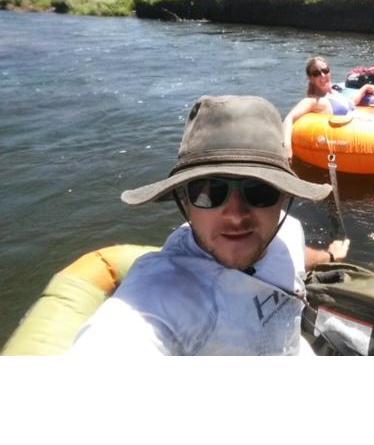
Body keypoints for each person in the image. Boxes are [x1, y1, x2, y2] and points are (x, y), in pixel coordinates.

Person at [70, 95, 349, 356]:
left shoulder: (288, 230)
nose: (237, 216)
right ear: (185, 201)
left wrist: (331, 256)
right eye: (210, 191)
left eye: (260, 191)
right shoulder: (163, 297)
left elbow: (294, 253)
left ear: (284, 197)